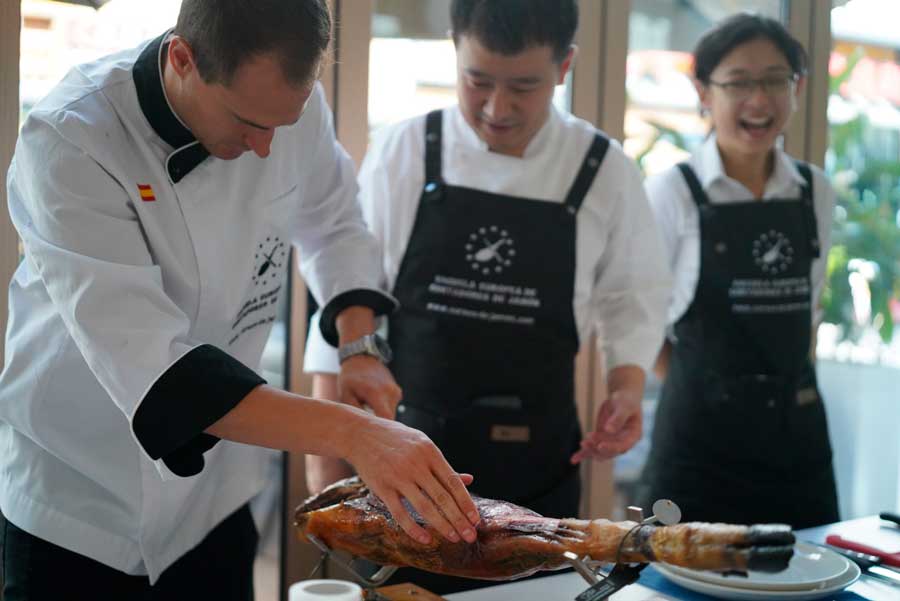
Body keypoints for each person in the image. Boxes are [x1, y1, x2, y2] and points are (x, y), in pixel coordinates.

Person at [0, 2, 481, 599]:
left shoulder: (281, 105)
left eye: (281, 125)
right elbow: (163, 374)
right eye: (247, 123)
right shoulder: (71, 140)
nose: (263, 149)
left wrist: (360, 347)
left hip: (216, 498)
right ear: (183, 57)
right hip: (78, 503)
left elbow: (334, 223)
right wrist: (358, 434)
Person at [303, 0, 671, 592]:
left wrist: (626, 387)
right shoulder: (407, 149)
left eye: (524, 86)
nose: (498, 108)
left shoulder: (603, 169)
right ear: (455, 52)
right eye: (478, 81)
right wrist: (326, 459)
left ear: (565, 65)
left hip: (541, 472)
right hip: (407, 476)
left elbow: (635, 294)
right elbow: (349, 295)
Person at [637, 13, 839, 529]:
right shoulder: (672, 191)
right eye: (739, 83)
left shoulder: (815, 191)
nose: (759, 99)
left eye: (776, 80)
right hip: (698, 449)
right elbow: (640, 323)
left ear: (797, 89)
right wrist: (703, 384)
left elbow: (807, 310)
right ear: (704, 92)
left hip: (797, 444)